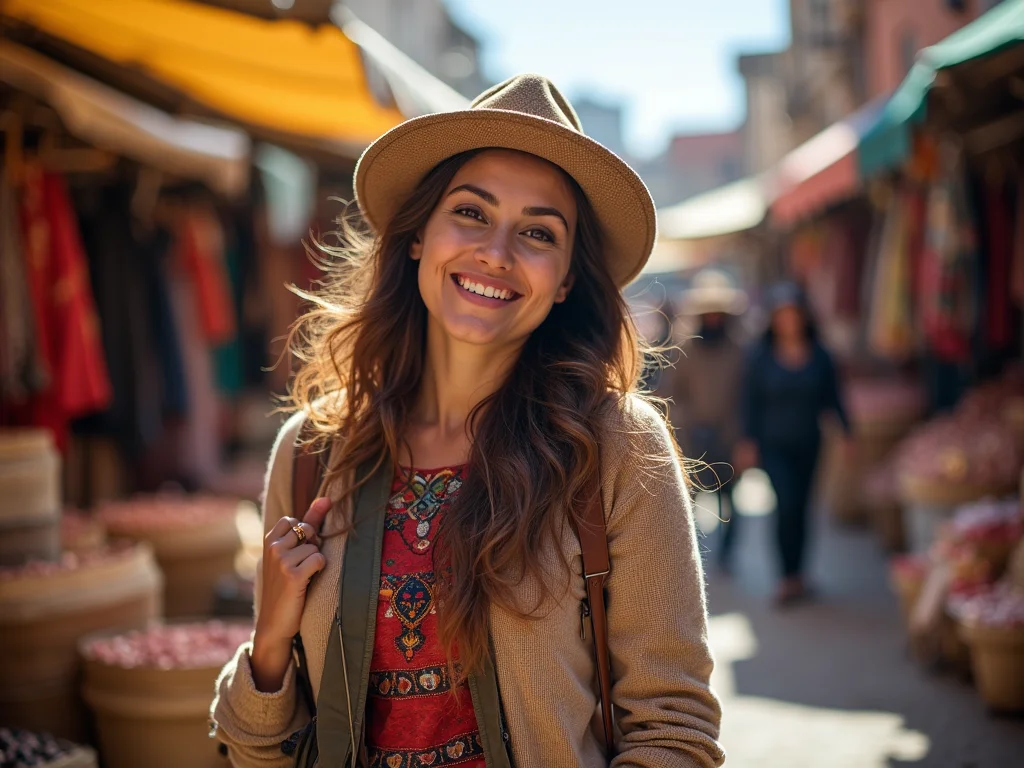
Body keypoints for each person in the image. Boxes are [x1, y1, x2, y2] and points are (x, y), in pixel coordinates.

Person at [210, 74, 724, 768]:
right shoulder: (310, 452)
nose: (496, 253)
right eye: (471, 213)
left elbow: (674, 731)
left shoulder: (616, 448)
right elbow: (255, 755)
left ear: (566, 280)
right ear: (418, 235)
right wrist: (269, 646)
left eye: (538, 232)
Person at [734, 281, 850, 606]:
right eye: (781, 315)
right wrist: (747, 441)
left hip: (810, 443)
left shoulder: (820, 355)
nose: (788, 321)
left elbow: (834, 397)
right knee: (785, 505)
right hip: (774, 445)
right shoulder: (760, 357)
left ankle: (799, 574)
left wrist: (847, 432)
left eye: (793, 314)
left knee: (802, 508)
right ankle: (785, 577)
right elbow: (749, 402)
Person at [669, 269, 748, 574]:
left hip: (728, 438)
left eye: (718, 313)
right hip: (692, 440)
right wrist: (684, 427)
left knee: (729, 501)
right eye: (708, 313)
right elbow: (671, 395)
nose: (713, 319)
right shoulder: (685, 351)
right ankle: (693, 554)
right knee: (690, 501)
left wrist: (740, 438)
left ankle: (727, 555)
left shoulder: (739, 352)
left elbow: (745, 397)